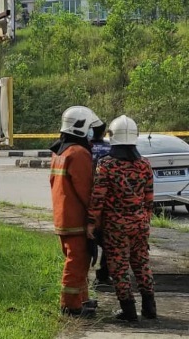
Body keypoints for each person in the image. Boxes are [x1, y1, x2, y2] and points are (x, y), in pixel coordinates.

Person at [87, 115, 156, 322]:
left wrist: (91, 222)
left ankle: (128, 311)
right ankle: (149, 308)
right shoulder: (145, 164)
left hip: (116, 227)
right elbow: (149, 199)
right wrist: (144, 221)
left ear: (112, 137)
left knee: (119, 268)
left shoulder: (107, 165)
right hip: (140, 225)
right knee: (142, 264)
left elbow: (98, 198)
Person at [50, 106, 99, 317]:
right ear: (81, 127)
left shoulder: (60, 151)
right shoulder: (78, 153)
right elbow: (86, 190)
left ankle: (82, 300)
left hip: (63, 217)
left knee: (79, 262)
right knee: (77, 262)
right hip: (77, 220)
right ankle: (70, 306)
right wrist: (94, 219)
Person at [89, 119, 112, 285]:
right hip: (107, 200)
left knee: (88, 239)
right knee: (107, 241)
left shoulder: (84, 148)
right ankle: (103, 276)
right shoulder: (110, 148)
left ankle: (83, 275)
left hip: (88, 197)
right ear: (104, 132)